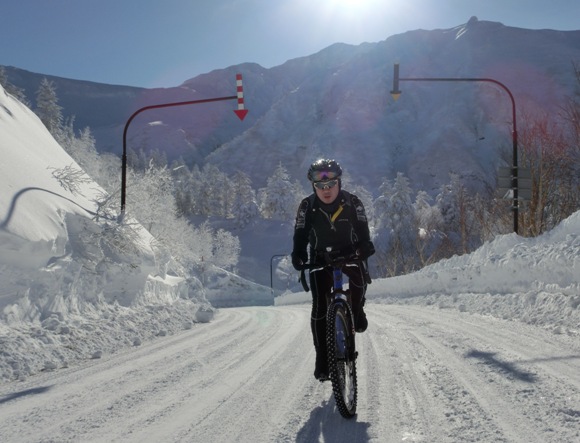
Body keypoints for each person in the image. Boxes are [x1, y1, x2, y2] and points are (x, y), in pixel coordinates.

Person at [291, 158, 375, 381]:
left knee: (359, 283)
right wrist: (298, 253)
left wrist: (365, 245)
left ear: (339, 183)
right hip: (320, 258)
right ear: (313, 187)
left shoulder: (353, 202)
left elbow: (363, 230)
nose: (326, 190)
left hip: (350, 253)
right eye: (320, 186)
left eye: (331, 185)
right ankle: (322, 359)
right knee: (319, 306)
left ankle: (356, 313)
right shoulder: (307, 206)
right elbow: (300, 234)